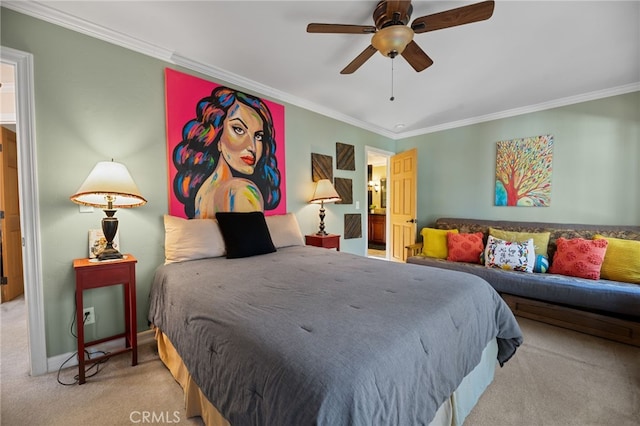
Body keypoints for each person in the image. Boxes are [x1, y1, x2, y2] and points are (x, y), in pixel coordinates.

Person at [173, 86, 281, 218]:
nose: (252, 147)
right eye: (238, 129)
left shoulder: (203, 195)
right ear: (217, 135)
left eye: (258, 136)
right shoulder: (242, 191)